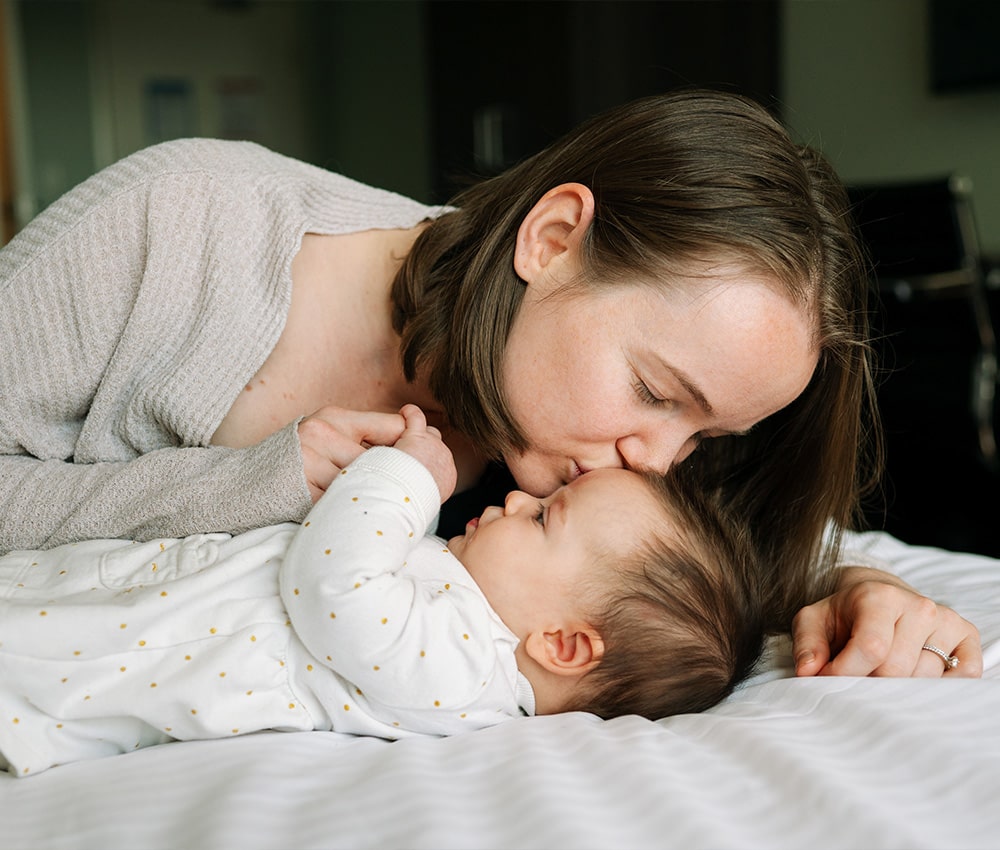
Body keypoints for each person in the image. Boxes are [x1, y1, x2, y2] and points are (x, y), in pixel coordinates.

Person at [0, 88, 981, 678]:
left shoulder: (601, 452)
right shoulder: (177, 234)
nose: (656, 463)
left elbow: (705, 567)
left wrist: (856, 584)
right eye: (653, 389)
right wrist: (246, 487)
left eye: (704, 439)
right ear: (552, 240)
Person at [0, 405, 768, 778]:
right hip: (101, 608)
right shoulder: (464, 615)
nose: (512, 502)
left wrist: (408, 480)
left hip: (68, 676)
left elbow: (334, 584)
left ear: (563, 645)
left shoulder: (464, 676)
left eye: (541, 520)